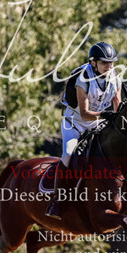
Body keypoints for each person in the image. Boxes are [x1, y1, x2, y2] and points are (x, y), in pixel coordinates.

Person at [45, 42, 122, 220]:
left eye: (111, 62)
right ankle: (58, 200)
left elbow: (117, 104)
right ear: (93, 63)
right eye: (104, 63)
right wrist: (107, 115)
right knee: (68, 154)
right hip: (75, 123)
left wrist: (119, 123)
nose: (109, 66)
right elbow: (85, 114)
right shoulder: (83, 77)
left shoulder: (115, 77)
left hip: (98, 122)